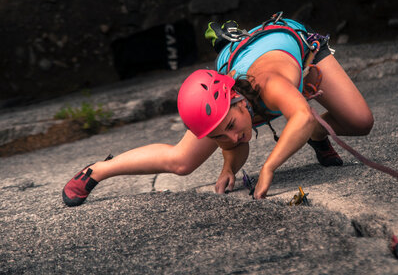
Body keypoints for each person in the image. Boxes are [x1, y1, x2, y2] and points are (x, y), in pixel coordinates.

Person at [62, 14, 373, 206]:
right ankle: (97, 170)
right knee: (182, 162)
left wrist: (269, 168)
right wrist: (229, 168)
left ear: (238, 100)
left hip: (302, 51)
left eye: (230, 124)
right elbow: (236, 144)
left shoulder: (270, 84)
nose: (233, 135)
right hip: (232, 76)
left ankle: (316, 135)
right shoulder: (225, 112)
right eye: (220, 134)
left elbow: (302, 114)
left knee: (360, 121)